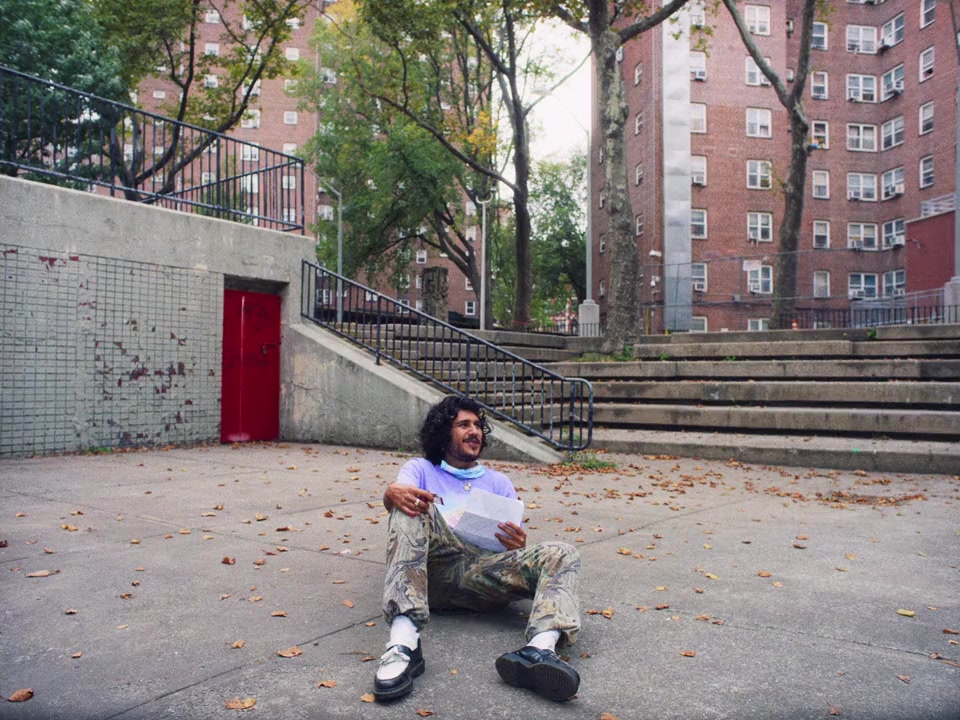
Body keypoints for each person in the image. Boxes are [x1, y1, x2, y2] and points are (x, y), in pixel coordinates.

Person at [373, 395, 582, 703]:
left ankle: (539, 650)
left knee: (563, 552)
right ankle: (404, 644)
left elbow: (512, 543)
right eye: (463, 425)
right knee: (413, 506)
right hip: (433, 574)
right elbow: (399, 497)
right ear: (444, 432)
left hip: (483, 576)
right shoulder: (421, 468)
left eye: (477, 425)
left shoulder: (499, 482)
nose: (474, 431)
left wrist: (518, 547)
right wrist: (391, 494)